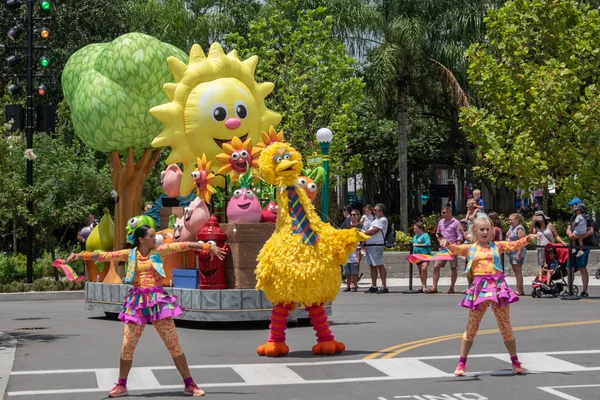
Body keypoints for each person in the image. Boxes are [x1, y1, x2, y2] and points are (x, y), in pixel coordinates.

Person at [67, 225, 226, 398]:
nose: (155, 238)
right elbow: (104, 256)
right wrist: (80, 255)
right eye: (151, 236)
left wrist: (207, 246)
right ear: (141, 239)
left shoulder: (160, 251)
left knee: (173, 344)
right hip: (138, 303)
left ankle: (189, 384)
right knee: (127, 346)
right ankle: (121, 385)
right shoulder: (130, 254)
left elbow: (185, 245)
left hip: (158, 302)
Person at [440, 215, 536, 376]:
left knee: (505, 325)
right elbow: (455, 249)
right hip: (479, 290)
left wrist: (528, 239)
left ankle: (515, 362)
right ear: (475, 231)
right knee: (472, 327)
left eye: (488, 229)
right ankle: (461, 364)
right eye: (481, 229)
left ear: (492, 231)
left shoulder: (497, 246)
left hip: (498, 289)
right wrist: (447, 243)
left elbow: (513, 245)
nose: (485, 232)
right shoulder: (471, 248)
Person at [430, 206, 462, 294]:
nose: (442, 214)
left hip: (452, 248)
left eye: (444, 212)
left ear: (449, 212)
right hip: (442, 249)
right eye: (442, 212)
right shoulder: (441, 222)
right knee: (436, 266)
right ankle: (434, 287)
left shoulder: (456, 222)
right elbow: (438, 233)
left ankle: (452, 287)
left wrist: (457, 249)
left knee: (453, 268)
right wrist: (439, 239)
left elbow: (459, 236)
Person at [566, 197, 592, 297]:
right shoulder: (573, 217)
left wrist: (578, 236)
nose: (572, 207)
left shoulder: (586, 217)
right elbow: (568, 229)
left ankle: (584, 291)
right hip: (572, 246)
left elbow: (590, 231)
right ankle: (570, 289)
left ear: (578, 206)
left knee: (582, 267)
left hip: (583, 246)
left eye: (573, 205)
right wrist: (570, 234)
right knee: (569, 267)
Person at [363, 203, 389, 294]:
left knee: (379, 265)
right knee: (372, 266)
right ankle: (374, 286)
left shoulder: (383, 220)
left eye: (375, 210)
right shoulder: (375, 220)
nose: (374, 211)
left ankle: (384, 286)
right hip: (370, 245)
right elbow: (369, 230)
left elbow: (374, 231)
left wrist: (362, 234)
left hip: (377, 245)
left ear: (381, 211)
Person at [506, 213, 527, 295]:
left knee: (518, 271)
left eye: (512, 220)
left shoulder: (519, 229)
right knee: (516, 271)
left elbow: (522, 242)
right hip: (511, 252)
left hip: (517, 253)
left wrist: (519, 254)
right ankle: (519, 288)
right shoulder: (512, 228)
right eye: (509, 220)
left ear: (517, 220)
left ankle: (519, 289)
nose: (510, 221)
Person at [343, 210, 363, 292]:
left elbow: (358, 249)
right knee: (347, 273)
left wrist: (358, 258)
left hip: (355, 256)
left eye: (354, 214)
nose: (352, 216)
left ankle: (354, 285)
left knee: (354, 272)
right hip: (347, 257)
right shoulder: (347, 225)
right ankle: (348, 286)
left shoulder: (361, 225)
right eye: (351, 215)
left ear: (358, 215)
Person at [411, 222, 432, 293]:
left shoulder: (425, 235)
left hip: (425, 255)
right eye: (414, 229)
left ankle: (424, 286)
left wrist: (418, 245)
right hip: (417, 256)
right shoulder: (415, 236)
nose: (415, 230)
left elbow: (427, 244)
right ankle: (423, 285)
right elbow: (412, 243)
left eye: (416, 229)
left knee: (424, 268)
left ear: (421, 229)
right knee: (420, 271)